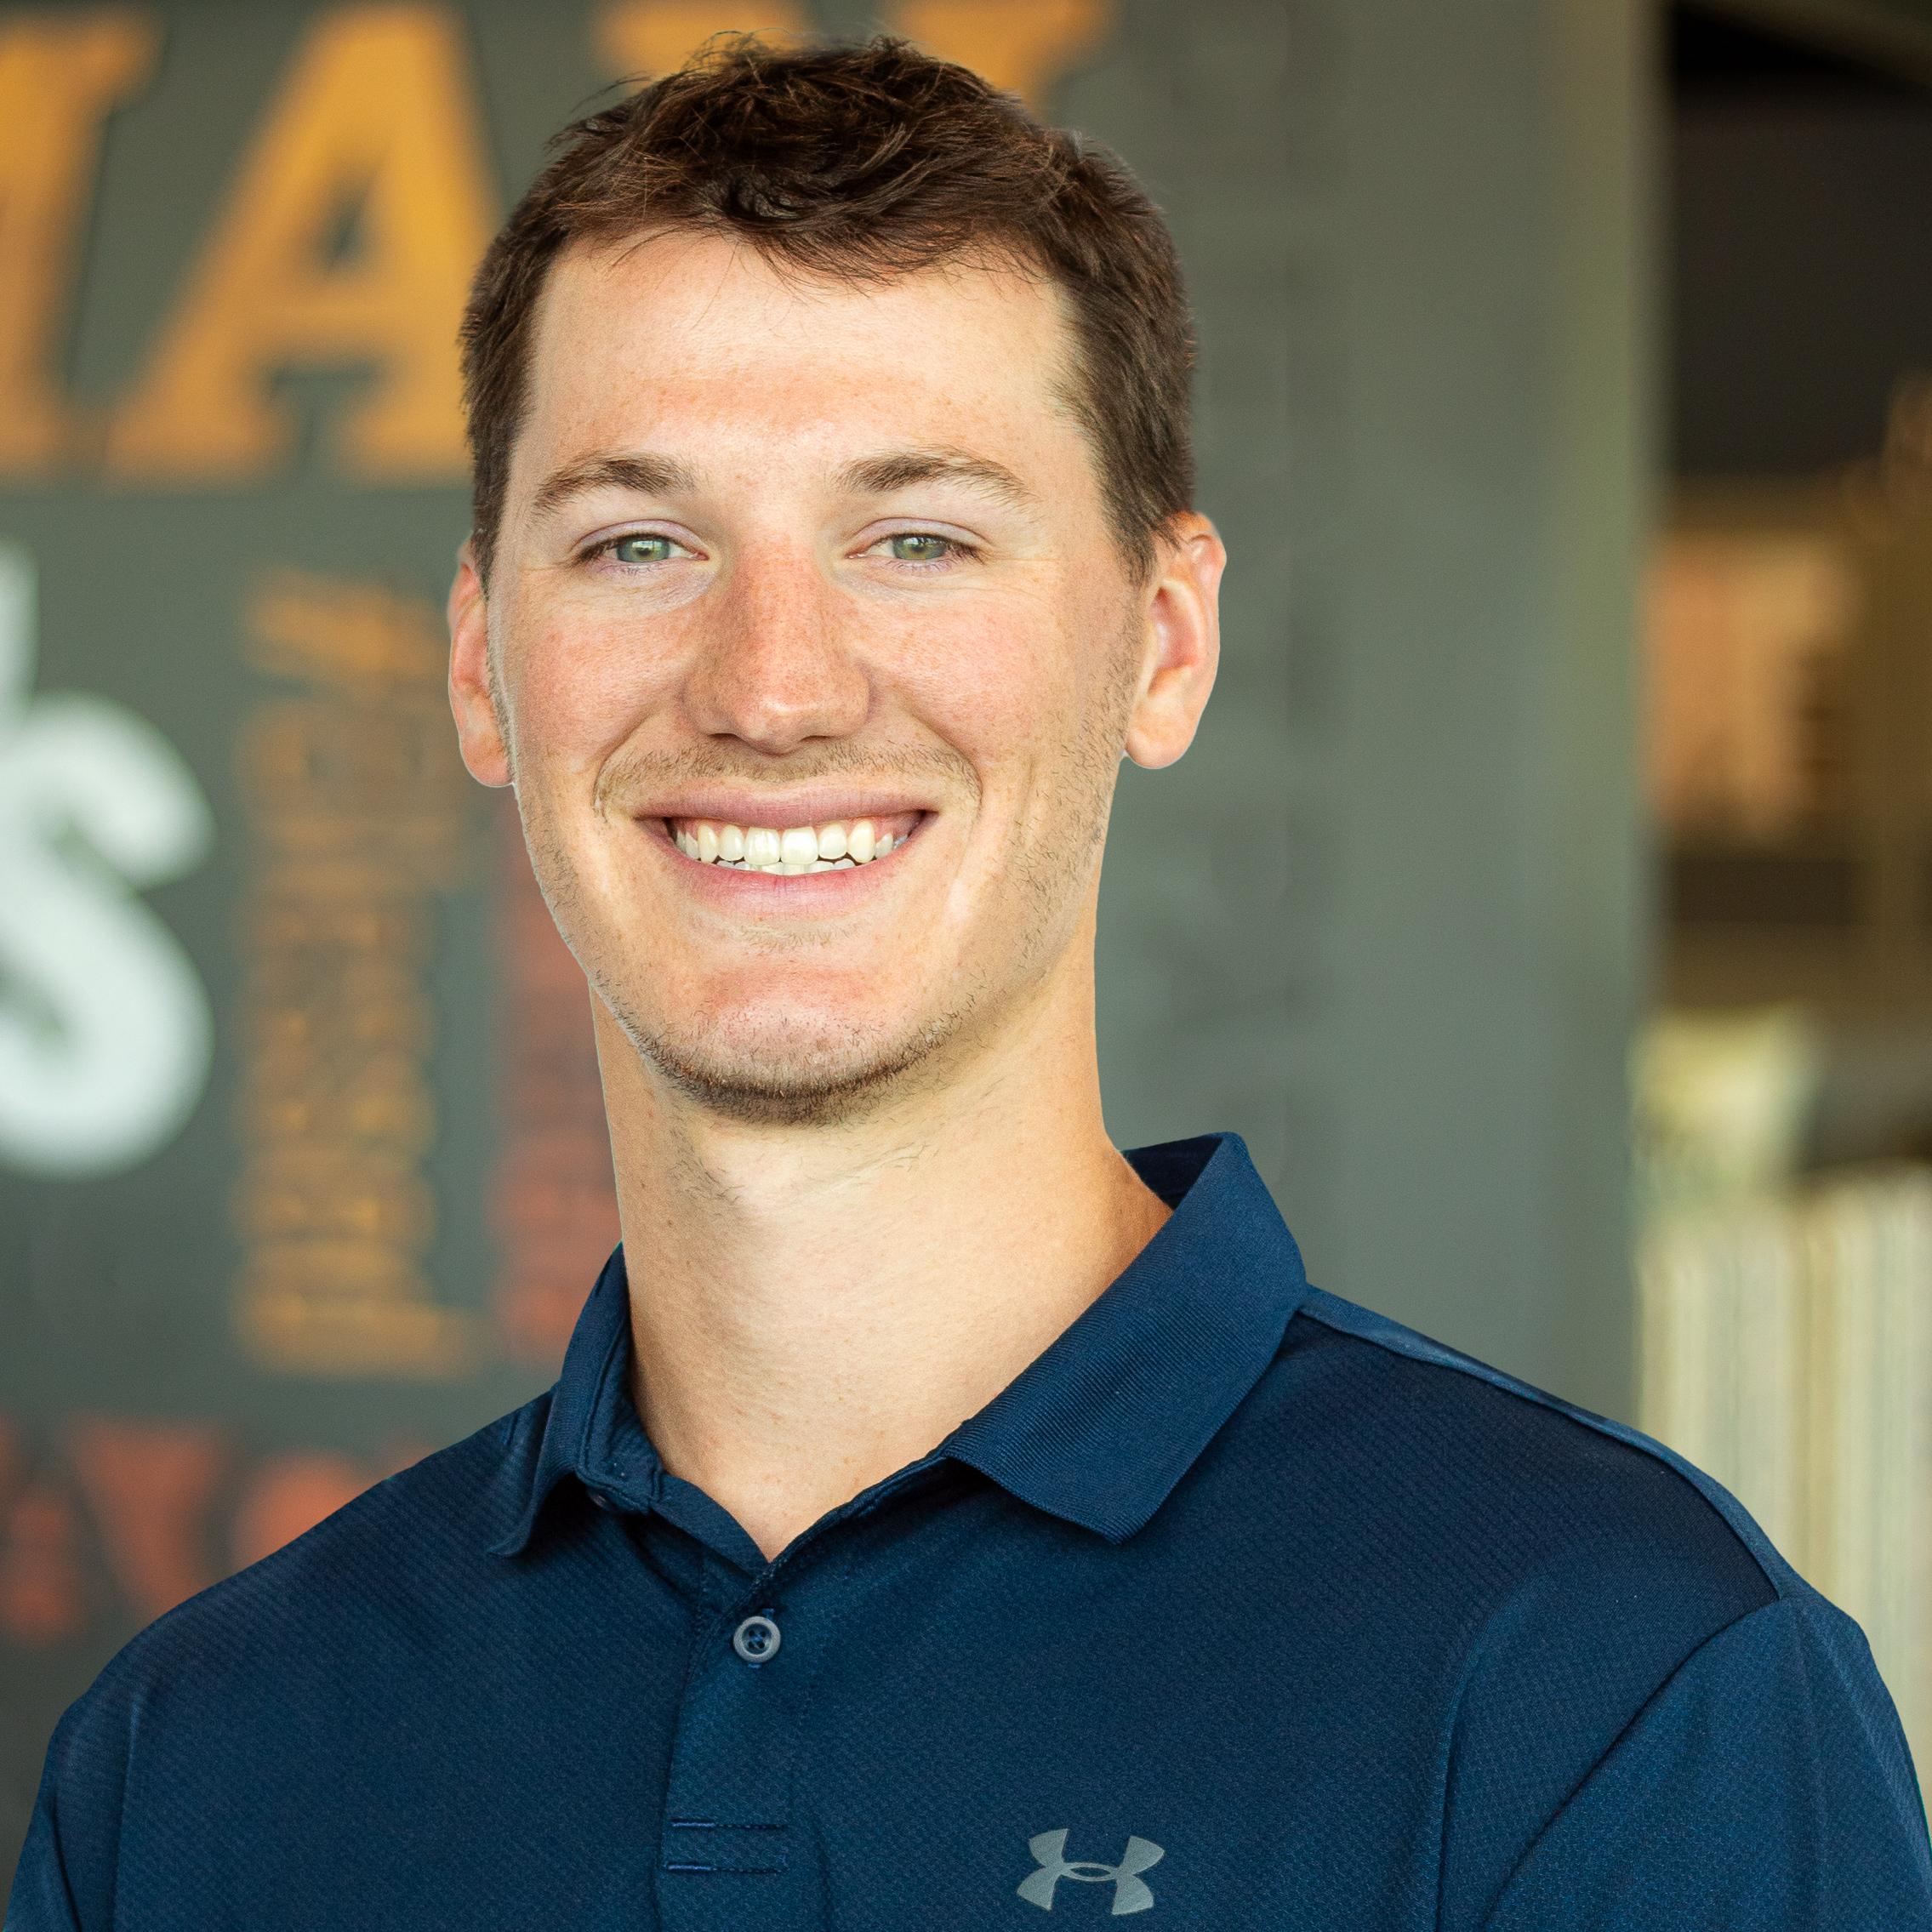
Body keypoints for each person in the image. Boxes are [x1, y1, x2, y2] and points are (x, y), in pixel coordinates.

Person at [9, 34, 1931, 1931]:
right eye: (638, 540)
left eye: (915, 535)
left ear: (1161, 645)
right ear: (477, 662)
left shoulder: (1610, 1687)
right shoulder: (193, 1758)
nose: (771, 683)